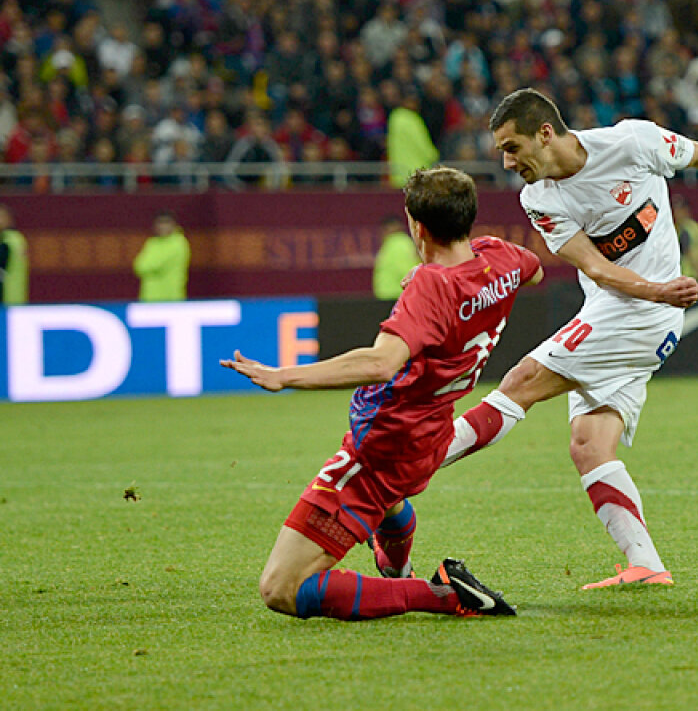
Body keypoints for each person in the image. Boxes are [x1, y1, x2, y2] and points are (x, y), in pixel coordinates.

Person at [447, 88, 698, 588]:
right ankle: (646, 564)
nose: (508, 163)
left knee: (520, 381)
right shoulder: (539, 198)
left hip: (640, 315)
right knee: (589, 444)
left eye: (512, 147)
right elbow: (596, 266)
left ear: (545, 133)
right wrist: (657, 289)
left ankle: (407, 467)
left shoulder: (633, 142)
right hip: (628, 306)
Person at [222, 166, 544, 621]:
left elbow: (380, 363)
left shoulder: (432, 285)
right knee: (391, 504)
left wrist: (284, 376)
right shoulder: (502, 258)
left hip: (383, 446)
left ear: (417, 226)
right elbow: (532, 271)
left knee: (281, 587)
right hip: (427, 438)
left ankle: (443, 594)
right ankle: (396, 566)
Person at [133, 211, 190, 302]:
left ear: (174, 225)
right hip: (149, 298)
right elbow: (139, 266)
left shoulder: (178, 243)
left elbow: (150, 265)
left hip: (171, 298)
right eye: (160, 223)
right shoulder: (152, 243)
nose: (163, 226)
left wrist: (147, 265)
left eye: (166, 223)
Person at [372, 215, 421, 300]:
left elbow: (407, 272)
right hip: (391, 298)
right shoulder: (392, 244)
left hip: (397, 298)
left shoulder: (399, 244)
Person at [672, 194, 698, 281]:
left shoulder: (685, 229)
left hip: (688, 275)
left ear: (686, 210)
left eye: (679, 210)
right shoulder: (694, 226)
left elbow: (689, 252)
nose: (676, 213)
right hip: (692, 275)